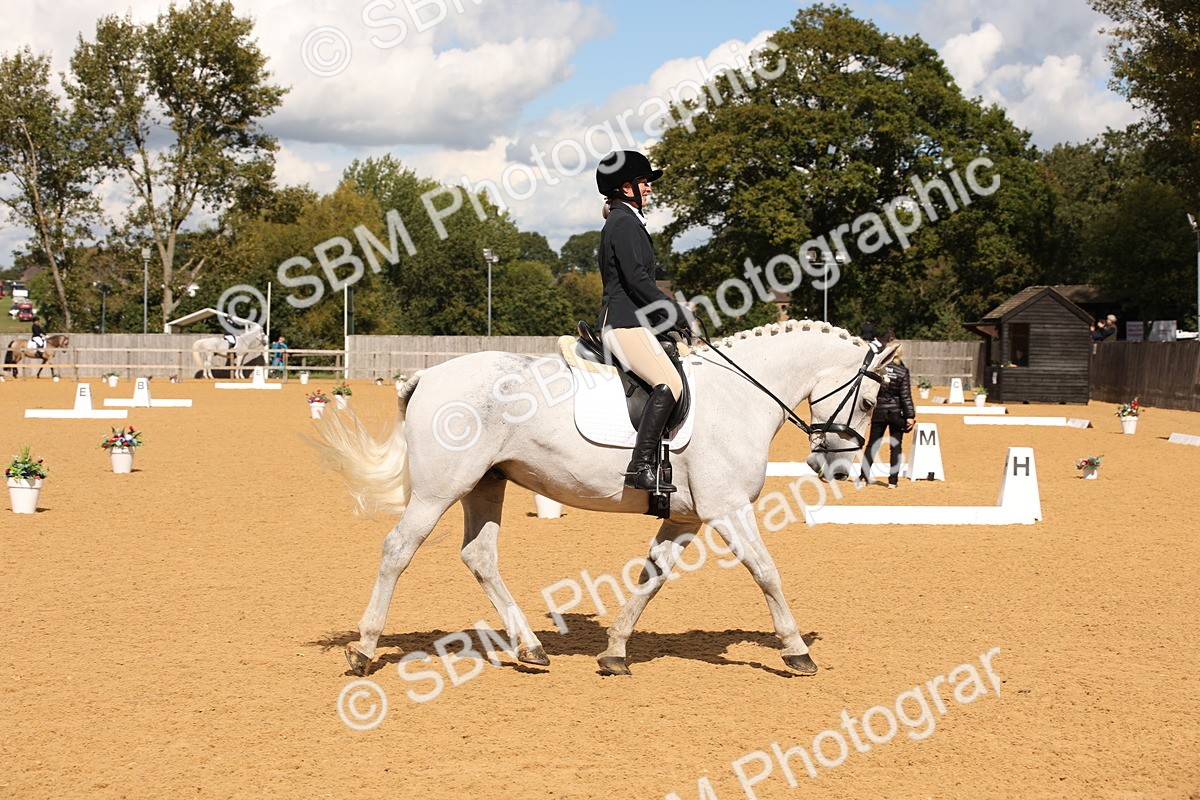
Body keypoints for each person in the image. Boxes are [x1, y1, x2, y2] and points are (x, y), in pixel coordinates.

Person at [595, 150, 692, 493]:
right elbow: (637, 280)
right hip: (622, 324)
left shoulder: (627, 220)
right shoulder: (622, 223)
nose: (649, 187)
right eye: (643, 181)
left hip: (634, 322)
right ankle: (639, 467)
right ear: (624, 187)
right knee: (670, 384)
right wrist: (675, 310)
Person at [860, 336, 915, 488]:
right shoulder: (903, 371)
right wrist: (910, 415)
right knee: (896, 447)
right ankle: (892, 481)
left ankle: (864, 477)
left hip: (879, 411)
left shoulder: (879, 369)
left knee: (872, 445)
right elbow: (905, 396)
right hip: (896, 413)